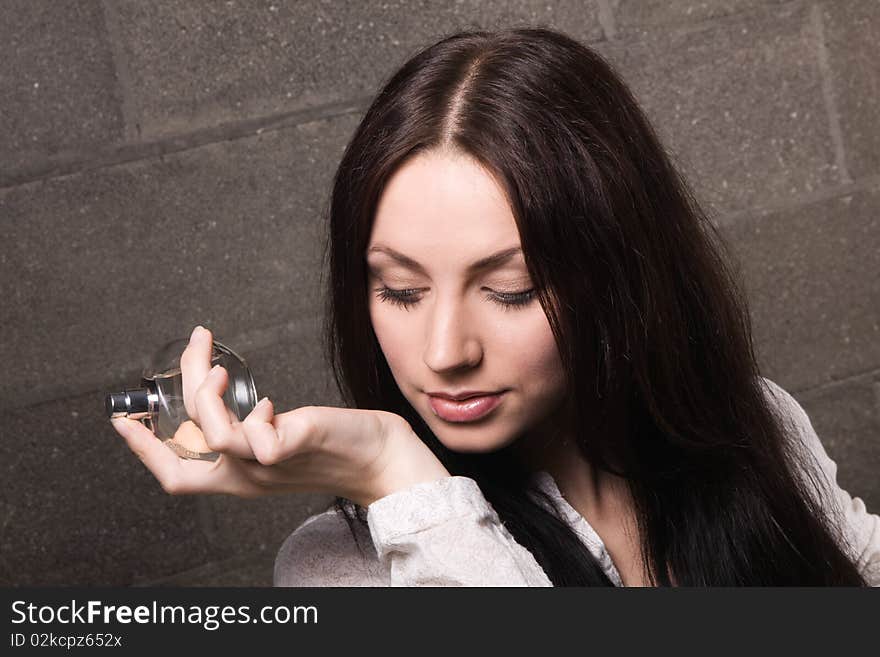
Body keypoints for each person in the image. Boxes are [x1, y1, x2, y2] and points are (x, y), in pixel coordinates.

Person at [110, 27, 879, 586]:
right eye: (401, 291)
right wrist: (395, 473)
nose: (444, 350)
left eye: (510, 290)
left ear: (618, 275)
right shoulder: (350, 570)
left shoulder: (760, 429)